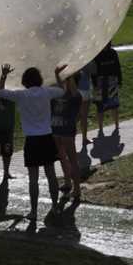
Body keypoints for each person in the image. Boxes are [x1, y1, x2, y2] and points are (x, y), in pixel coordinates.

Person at [0, 63, 66, 220]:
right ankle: (55, 207)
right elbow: (62, 91)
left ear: (25, 81)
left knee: (33, 179)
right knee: (51, 175)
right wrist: (57, 75)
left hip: (32, 141)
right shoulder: (46, 92)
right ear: (40, 79)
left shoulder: (21, 95)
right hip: (47, 138)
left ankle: (34, 212)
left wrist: (4, 75)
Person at [51, 71, 83, 200]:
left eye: (67, 80)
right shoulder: (59, 92)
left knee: (72, 159)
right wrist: (57, 74)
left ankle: (77, 188)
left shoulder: (75, 96)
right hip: (55, 130)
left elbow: (74, 93)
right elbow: (59, 85)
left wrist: (70, 76)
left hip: (67, 132)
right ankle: (67, 181)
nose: (64, 82)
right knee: (62, 157)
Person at [93, 43, 122, 137]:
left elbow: (117, 67)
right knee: (100, 107)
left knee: (114, 105)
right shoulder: (97, 54)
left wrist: (120, 80)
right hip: (100, 83)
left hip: (112, 81)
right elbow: (94, 71)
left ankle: (117, 125)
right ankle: (100, 128)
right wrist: (95, 84)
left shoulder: (113, 53)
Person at [77, 60, 97, 148]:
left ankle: (84, 139)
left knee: (83, 117)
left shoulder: (87, 60)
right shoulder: (78, 60)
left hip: (85, 90)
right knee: (80, 117)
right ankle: (82, 139)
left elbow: (94, 71)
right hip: (81, 91)